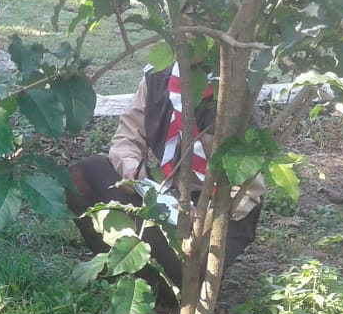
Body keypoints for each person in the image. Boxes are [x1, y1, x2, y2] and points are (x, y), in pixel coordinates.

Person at [66, 63, 265, 295]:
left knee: (189, 273)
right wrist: (132, 171)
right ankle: (121, 274)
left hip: (217, 206)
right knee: (83, 176)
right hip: (169, 192)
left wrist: (204, 219)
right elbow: (127, 138)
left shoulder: (234, 93)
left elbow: (248, 190)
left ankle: (173, 288)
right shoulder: (158, 78)